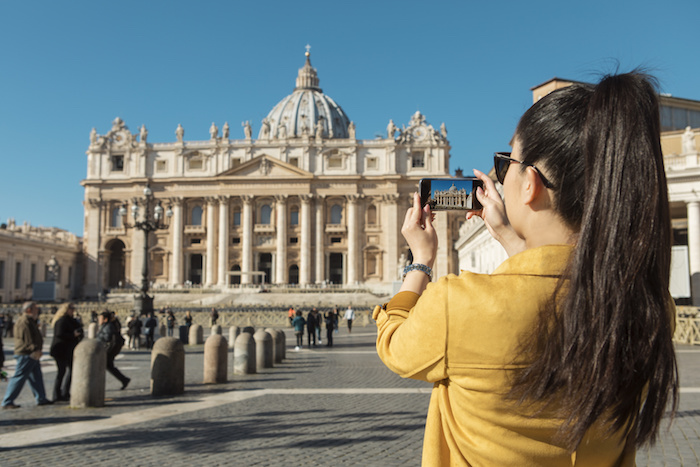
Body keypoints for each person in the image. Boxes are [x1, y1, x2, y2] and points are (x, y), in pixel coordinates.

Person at [374, 72, 678, 465]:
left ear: (530, 183)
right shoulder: (650, 309)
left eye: (506, 164)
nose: (500, 176)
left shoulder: (458, 305)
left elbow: (394, 344)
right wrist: (511, 237)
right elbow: (553, 284)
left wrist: (420, 260)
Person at [2, 302, 53, 408]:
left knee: (36, 377)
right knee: (19, 377)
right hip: (27, 353)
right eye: (35, 309)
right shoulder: (24, 321)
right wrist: (35, 349)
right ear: (29, 310)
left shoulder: (30, 320)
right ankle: (7, 401)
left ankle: (41, 398)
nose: (37, 311)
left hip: (31, 353)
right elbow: (27, 338)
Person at [49, 302, 83, 402]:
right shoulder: (62, 321)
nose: (73, 310)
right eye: (71, 308)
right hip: (61, 350)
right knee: (61, 372)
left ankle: (65, 392)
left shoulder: (71, 320)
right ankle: (57, 394)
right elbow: (60, 334)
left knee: (70, 371)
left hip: (68, 350)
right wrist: (73, 335)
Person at [96, 311, 130, 390]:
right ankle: (124, 379)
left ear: (105, 319)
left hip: (108, 349)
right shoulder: (107, 325)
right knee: (109, 366)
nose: (99, 320)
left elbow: (107, 338)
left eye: (100, 318)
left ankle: (124, 379)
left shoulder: (108, 326)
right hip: (110, 349)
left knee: (104, 366)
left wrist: (99, 338)